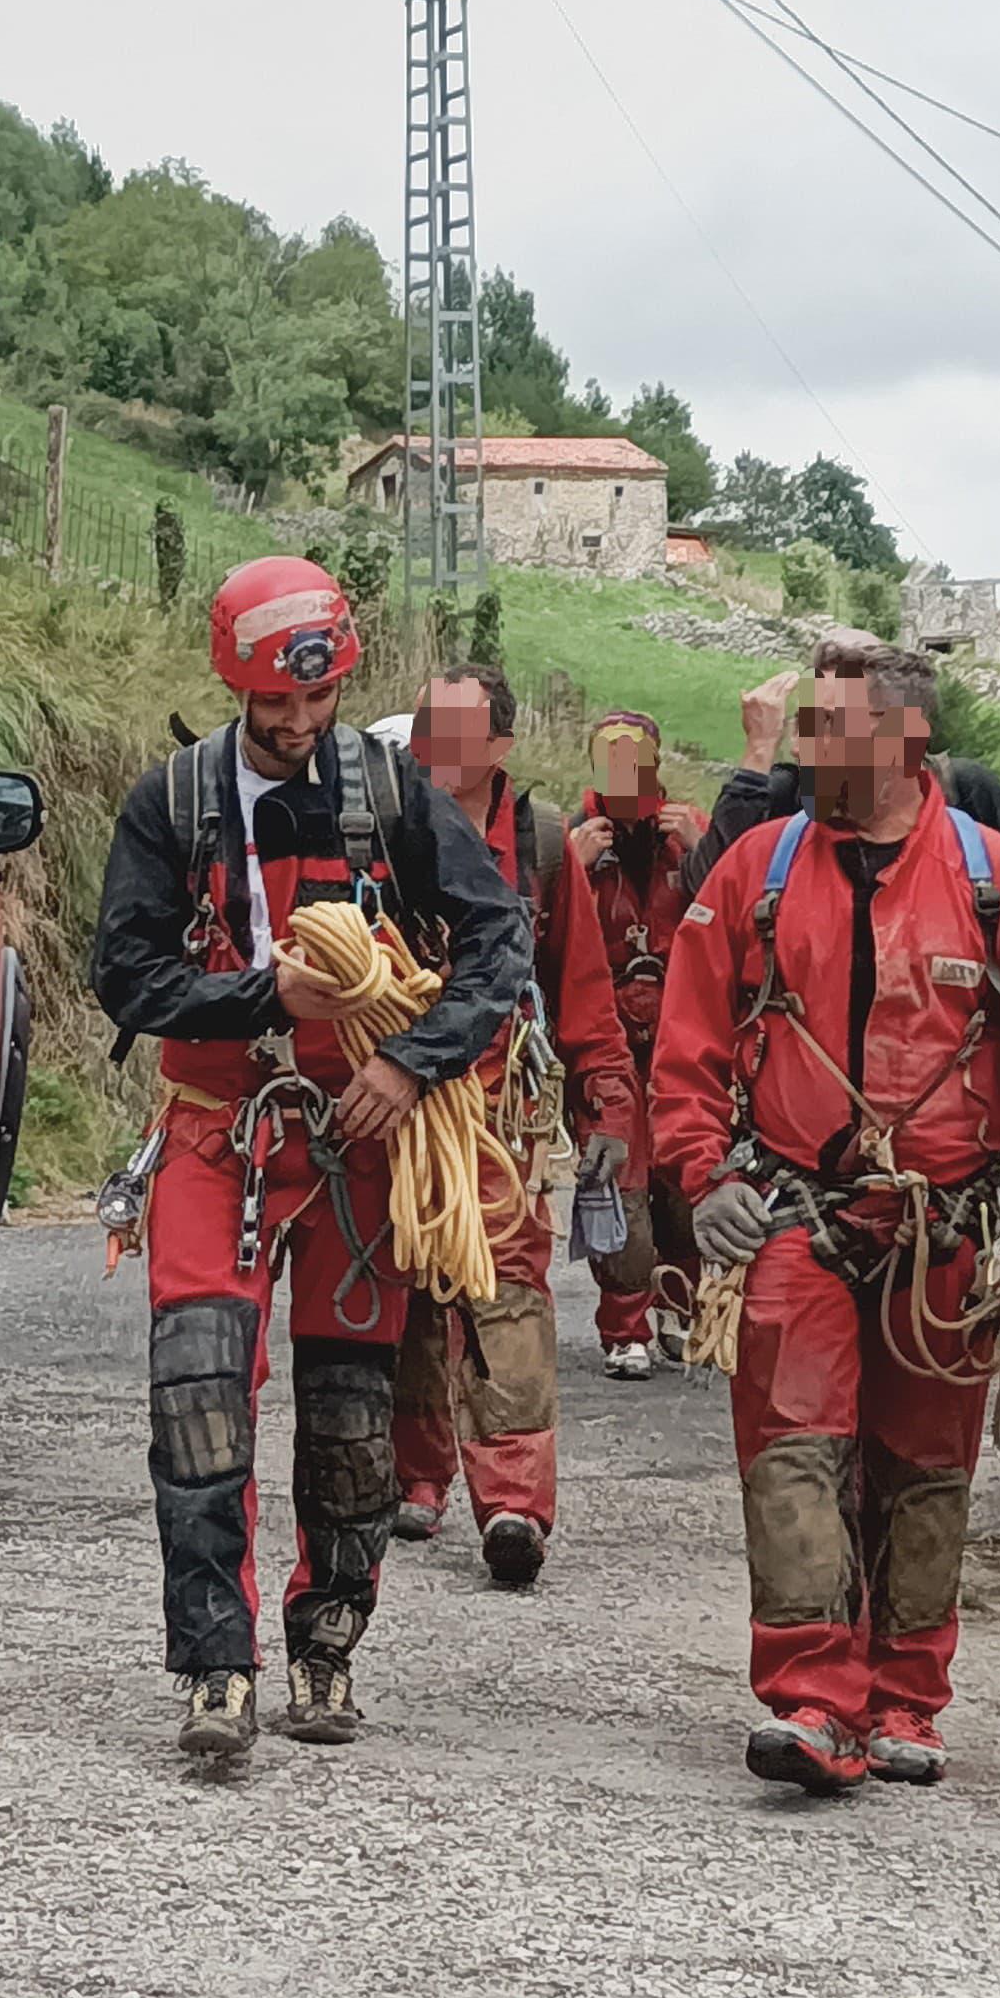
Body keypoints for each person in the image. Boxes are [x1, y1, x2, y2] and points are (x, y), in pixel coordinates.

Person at [649, 644, 1000, 1796]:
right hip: (793, 1212)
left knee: (924, 1466)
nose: (809, 748)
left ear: (906, 742)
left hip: (945, 1229)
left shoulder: (993, 879)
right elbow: (687, 1038)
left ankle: (907, 1695)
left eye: (833, 728)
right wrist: (703, 1177)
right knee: (793, 1452)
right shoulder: (758, 870)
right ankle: (815, 1701)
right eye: (807, 727)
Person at [90, 559, 530, 1762]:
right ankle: (215, 1668)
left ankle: (325, 1649)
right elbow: (126, 977)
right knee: (197, 1401)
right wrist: (259, 997)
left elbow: (497, 939)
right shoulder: (173, 801)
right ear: (234, 686)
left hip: (357, 1137)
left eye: (319, 700)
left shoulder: (391, 793)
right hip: (214, 1132)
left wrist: (414, 1063)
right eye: (276, 704)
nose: (297, 724)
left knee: (348, 1416)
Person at [390, 666, 636, 1586]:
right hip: (396, 1098)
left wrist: (606, 1102)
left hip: (501, 1113)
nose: (437, 745)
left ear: (500, 745)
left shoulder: (540, 847)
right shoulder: (377, 829)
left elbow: (582, 988)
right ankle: (415, 1476)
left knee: (506, 1295)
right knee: (406, 1286)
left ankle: (513, 1505)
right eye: (428, 725)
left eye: (458, 730)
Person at [684, 643, 1000, 911]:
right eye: (803, 724)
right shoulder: (794, 797)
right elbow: (709, 897)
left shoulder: (964, 790)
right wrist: (758, 752)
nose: (801, 747)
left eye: (829, 723)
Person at [566, 709, 711, 1381]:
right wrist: (572, 871)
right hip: (605, 1039)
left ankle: (680, 1310)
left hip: (682, 1038)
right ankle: (624, 1327)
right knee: (617, 1183)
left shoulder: (689, 836)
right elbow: (539, 933)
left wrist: (702, 856)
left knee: (684, 1181)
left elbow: (734, 923)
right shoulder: (572, 843)